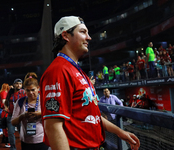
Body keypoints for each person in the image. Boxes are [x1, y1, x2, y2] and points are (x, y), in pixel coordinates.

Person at [40, 16, 140, 150]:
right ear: (66, 36)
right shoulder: (58, 70)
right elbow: (53, 127)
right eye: (83, 32)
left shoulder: (77, 71)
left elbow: (92, 116)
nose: (89, 37)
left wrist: (119, 132)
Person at [11, 72, 48, 150]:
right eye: (28, 90)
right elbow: (13, 122)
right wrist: (23, 116)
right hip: (26, 141)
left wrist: (40, 114)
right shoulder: (20, 102)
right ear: (24, 90)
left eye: (33, 90)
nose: (30, 93)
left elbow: (53, 116)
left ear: (38, 88)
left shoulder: (45, 100)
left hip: (42, 139)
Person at [6, 78, 26, 150]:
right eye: (17, 83)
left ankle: (24, 147)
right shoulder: (10, 93)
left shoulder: (24, 92)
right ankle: (13, 148)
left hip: (21, 116)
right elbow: (6, 101)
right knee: (11, 133)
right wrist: (6, 108)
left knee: (23, 133)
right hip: (11, 115)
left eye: (20, 84)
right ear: (14, 84)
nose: (18, 85)